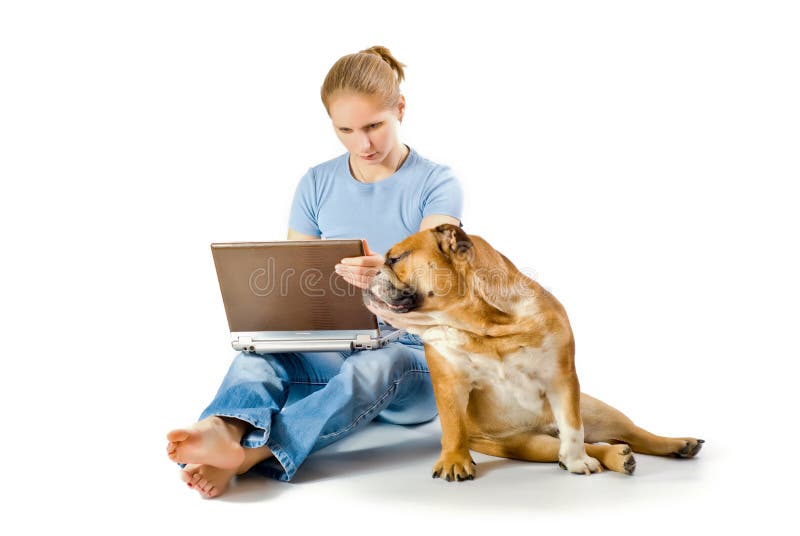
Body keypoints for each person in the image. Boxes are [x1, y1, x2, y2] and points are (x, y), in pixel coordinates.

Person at [166, 45, 464, 498]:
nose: (362, 144)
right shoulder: (316, 183)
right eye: (345, 129)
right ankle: (223, 430)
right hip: (335, 345)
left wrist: (386, 271)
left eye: (374, 126)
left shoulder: (437, 182)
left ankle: (254, 455)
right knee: (257, 357)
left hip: (415, 355)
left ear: (400, 108)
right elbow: (297, 291)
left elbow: (438, 273)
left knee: (381, 362)